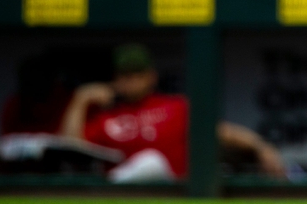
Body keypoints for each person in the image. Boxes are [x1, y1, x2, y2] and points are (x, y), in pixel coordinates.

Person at [61, 44, 285, 183]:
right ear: (115, 79)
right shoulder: (106, 118)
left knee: (152, 162)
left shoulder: (175, 106)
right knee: (147, 162)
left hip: (170, 192)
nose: (131, 81)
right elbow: (70, 151)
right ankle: (114, 185)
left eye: (138, 75)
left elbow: (222, 132)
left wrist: (260, 146)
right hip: (121, 196)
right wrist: (80, 101)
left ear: (151, 76)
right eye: (125, 76)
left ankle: (114, 185)